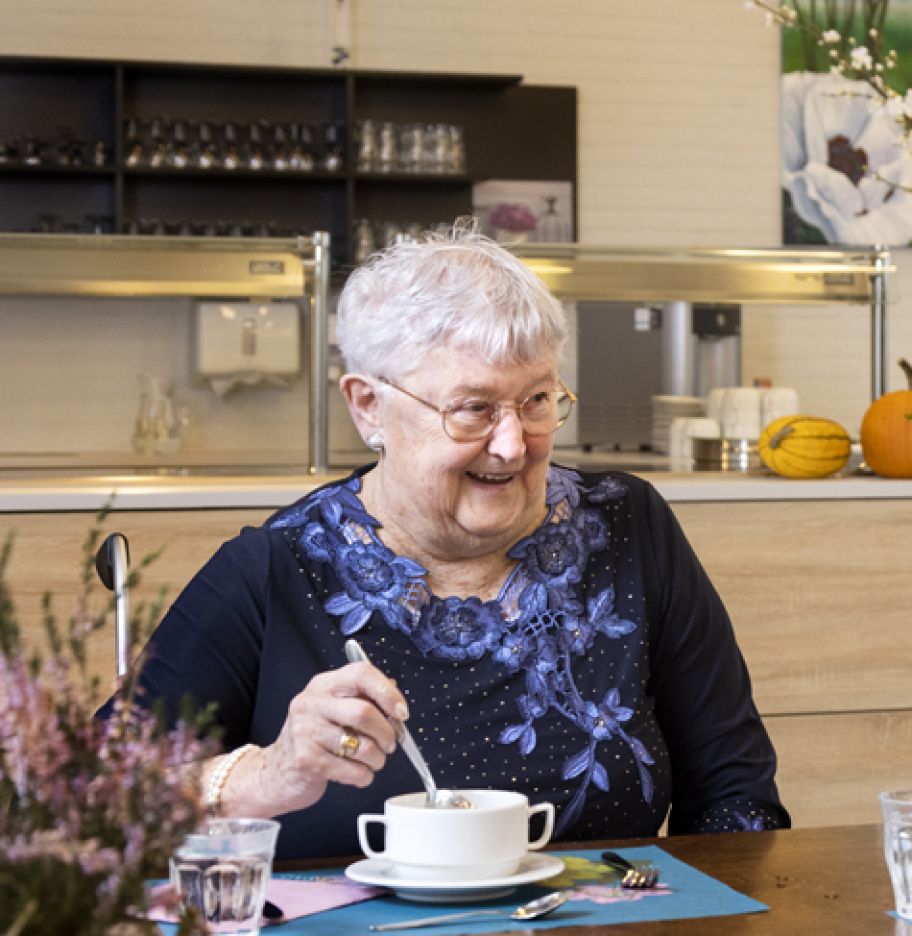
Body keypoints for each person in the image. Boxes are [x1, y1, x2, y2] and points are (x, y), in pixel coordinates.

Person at [127, 223, 787, 859]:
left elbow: (736, 797)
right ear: (368, 407)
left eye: (535, 402)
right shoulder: (272, 573)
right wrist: (266, 775)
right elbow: (84, 801)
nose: (512, 444)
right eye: (473, 408)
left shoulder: (628, 527)